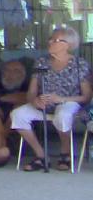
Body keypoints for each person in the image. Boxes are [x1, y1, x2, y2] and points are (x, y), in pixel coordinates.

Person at [10, 26, 92, 172]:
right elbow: (31, 91)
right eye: (50, 39)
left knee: (63, 114)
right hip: (44, 104)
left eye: (56, 40)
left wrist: (61, 99)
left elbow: (86, 96)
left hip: (68, 102)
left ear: (68, 44)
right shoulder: (41, 62)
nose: (50, 42)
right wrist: (34, 100)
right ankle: (41, 156)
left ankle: (65, 152)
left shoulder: (80, 64)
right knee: (17, 114)